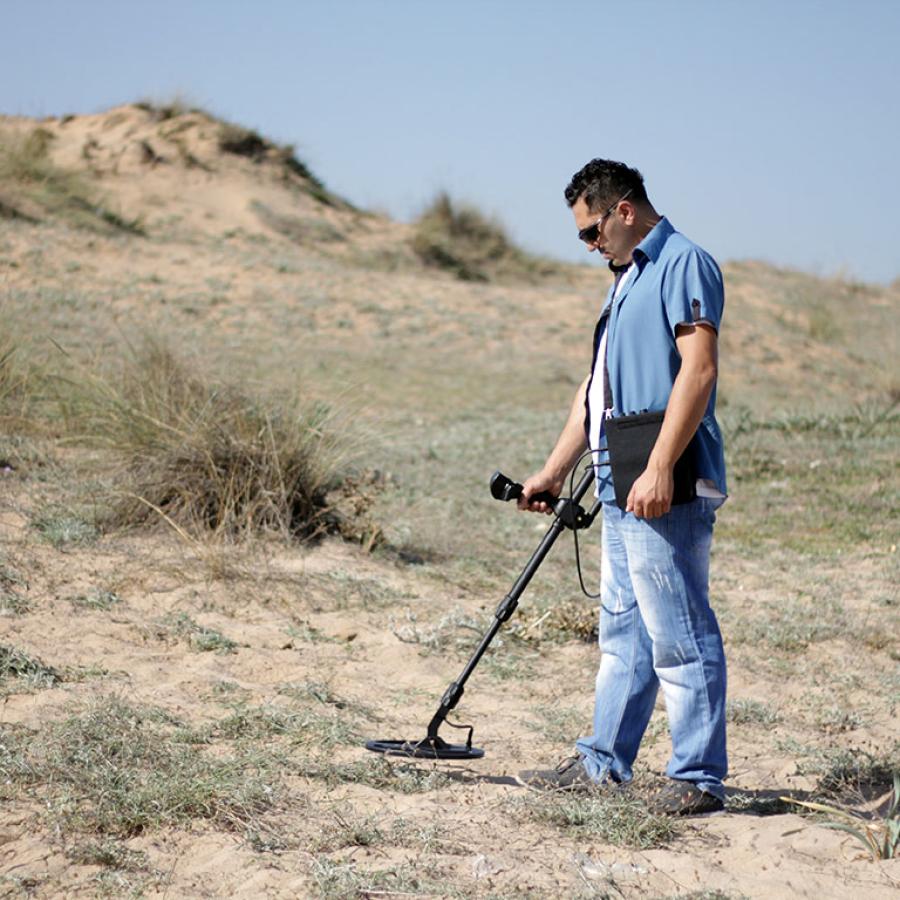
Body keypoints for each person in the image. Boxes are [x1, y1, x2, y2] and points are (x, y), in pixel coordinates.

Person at [514, 159, 728, 816]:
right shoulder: (626, 279)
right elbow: (595, 390)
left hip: (661, 482)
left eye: (591, 231)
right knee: (625, 636)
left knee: (680, 634)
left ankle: (697, 778)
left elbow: (699, 370)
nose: (590, 246)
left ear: (624, 210)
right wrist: (552, 471)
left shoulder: (682, 263)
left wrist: (663, 465)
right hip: (619, 482)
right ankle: (603, 765)